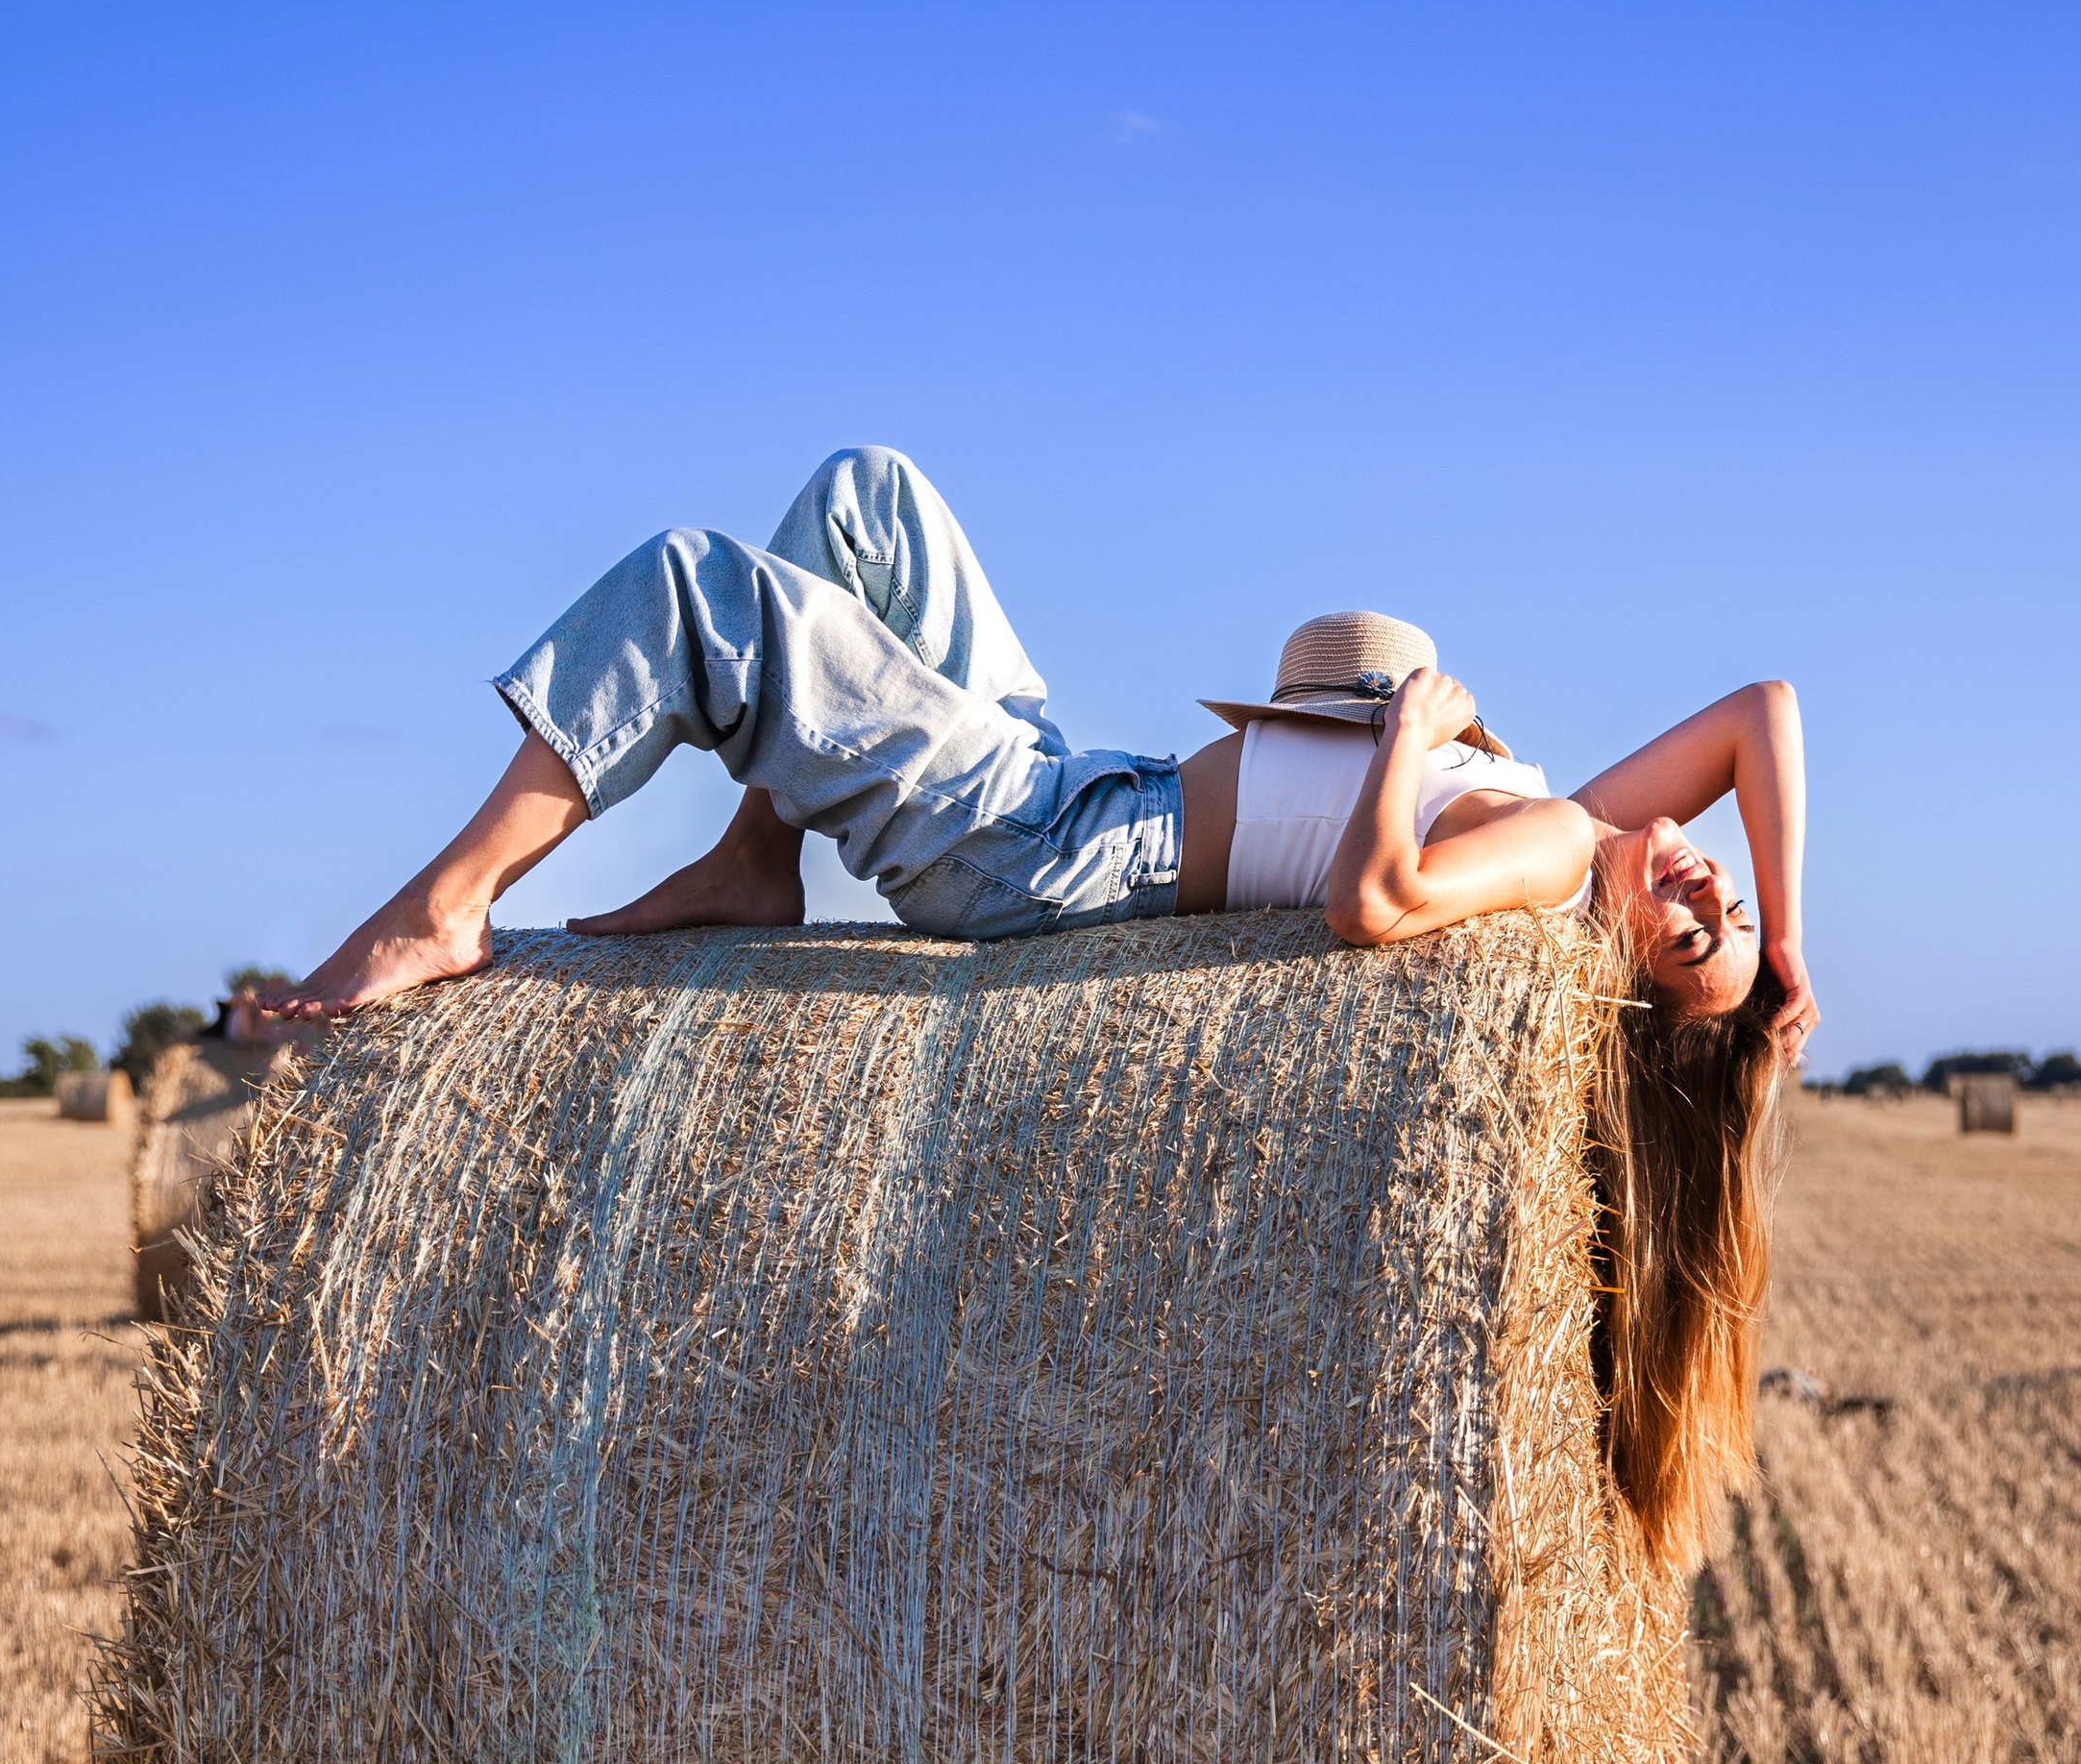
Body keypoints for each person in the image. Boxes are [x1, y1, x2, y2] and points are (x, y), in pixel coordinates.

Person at [278, 446, 1813, 1559]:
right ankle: (758, 863)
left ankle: (446, 903)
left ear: (1627, 980)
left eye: (1692, 947)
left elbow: (1377, 902)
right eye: (1722, 898)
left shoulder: (1560, 855)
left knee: (697, 590)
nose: (1702, 898)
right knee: (869, 500)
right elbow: (1763, 715)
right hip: (1088, 785)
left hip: (1052, 853)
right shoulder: (1598, 823)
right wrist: (1783, 958)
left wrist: (1412, 732)